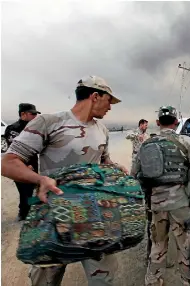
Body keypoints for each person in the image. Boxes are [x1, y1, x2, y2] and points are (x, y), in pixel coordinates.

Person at [1, 75, 128, 286]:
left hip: (93, 218)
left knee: (104, 279)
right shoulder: (49, 122)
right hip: (54, 217)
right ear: (95, 96)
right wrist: (40, 179)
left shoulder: (102, 130)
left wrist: (116, 168)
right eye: (109, 101)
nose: (110, 108)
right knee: (45, 279)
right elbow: (8, 162)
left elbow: (103, 162)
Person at [131, 106, 190, 286]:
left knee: (158, 243)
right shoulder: (186, 142)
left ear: (158, 123)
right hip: (181, 205)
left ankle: (152, 280)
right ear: (176, 122)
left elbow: (134, 174)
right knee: (185, 246)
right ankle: (187, 281)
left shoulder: (146, 144)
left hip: (156, 204)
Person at [4, 103, 41, 220]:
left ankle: (28, 211)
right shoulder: (13, 129)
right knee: (24, 189)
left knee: (31, 189)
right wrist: (25, 166)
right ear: (23, 114)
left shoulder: (35, 127)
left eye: (36, 114)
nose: (35, 116)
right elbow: (13, 151)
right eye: (32, 114)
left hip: (34, 164)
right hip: (18, 166)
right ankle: (24, 212)